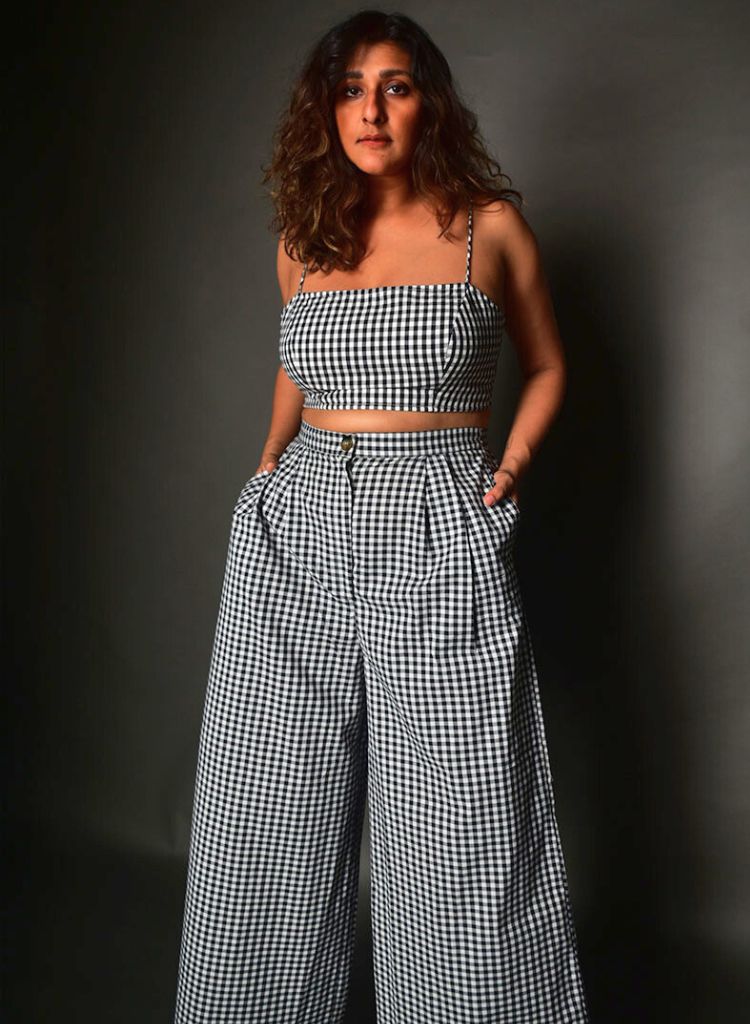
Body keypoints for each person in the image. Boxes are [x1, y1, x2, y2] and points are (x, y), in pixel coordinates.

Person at [174, 10, 591, 1023]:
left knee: (462, 813)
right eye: (351, 89)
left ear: (427, 103)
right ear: (326, 109)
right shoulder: (304, 237)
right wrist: (268, 462)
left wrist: (512, 462)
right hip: (300, 521)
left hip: (438, 517)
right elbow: (297, 361)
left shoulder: (487, 227)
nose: (371, 109)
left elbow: (547, 364)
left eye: (395, 86)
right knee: (266, 799)